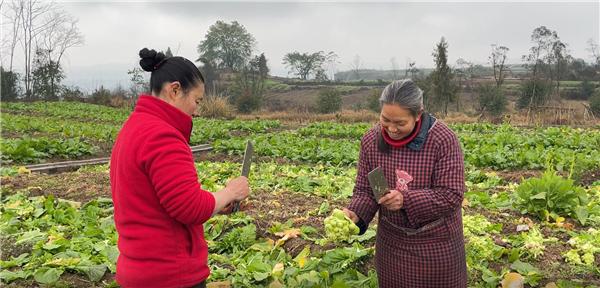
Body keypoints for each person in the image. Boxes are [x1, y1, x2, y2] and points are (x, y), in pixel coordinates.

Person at [110, 48, 250, 288]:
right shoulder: (163, 136)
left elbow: (165, 203)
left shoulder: (134, 128)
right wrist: (230, 192)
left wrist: (216, 203)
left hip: (137, 270)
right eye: (196, 100)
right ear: (175, 90)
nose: (197, 110)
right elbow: (190, 208)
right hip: (169, 275)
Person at [343, 79, 467, 287]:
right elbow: (368, 189)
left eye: (400, 123)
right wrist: (356, 213)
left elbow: (451, 194)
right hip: (392, 244)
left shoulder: (442, 140)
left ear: (418, 114)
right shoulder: (371, 141)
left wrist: (405, 200)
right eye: (385, 120)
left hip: (436, 245)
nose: (391, 128)